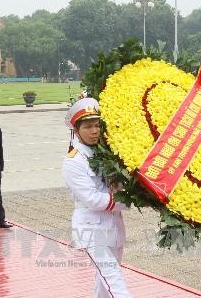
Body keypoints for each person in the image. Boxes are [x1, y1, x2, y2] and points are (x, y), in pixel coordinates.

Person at [62, 98, 131, 298]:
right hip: (92, 229)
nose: (94, 131)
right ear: (76, 130)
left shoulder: (105, 154)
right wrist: (127, 199)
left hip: (114, 226)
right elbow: (92, 199)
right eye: (88, 126)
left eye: (97, 125)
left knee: (104, 283)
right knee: (113, 279)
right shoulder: (73, 162)